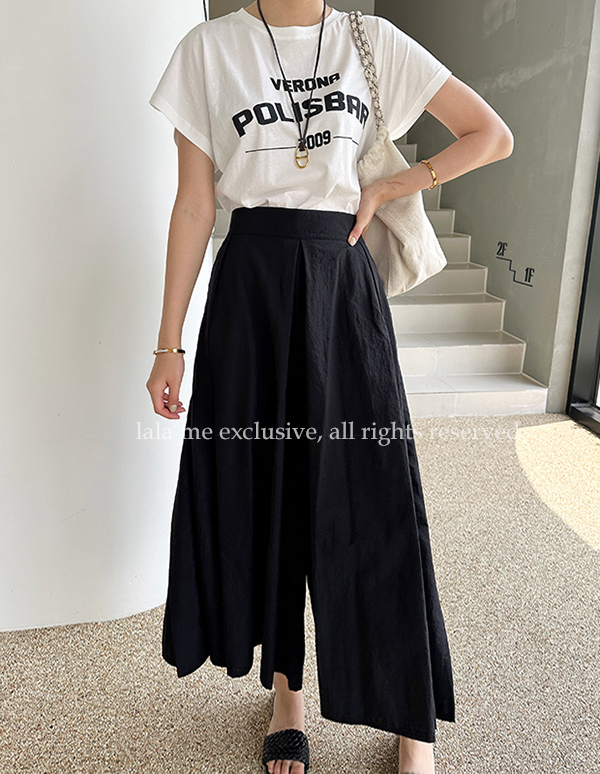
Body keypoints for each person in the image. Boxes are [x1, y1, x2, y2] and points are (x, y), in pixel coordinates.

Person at [146, 2, 514, 773]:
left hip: (341, 284)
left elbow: (491, 134)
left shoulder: (368, 39)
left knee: (378, 498)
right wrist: (168, 343)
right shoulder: (209, 48)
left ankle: (410, 717)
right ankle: (287, 698)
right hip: (250, 289)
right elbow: (195, 204)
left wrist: (396, 185)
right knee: (272, 496)